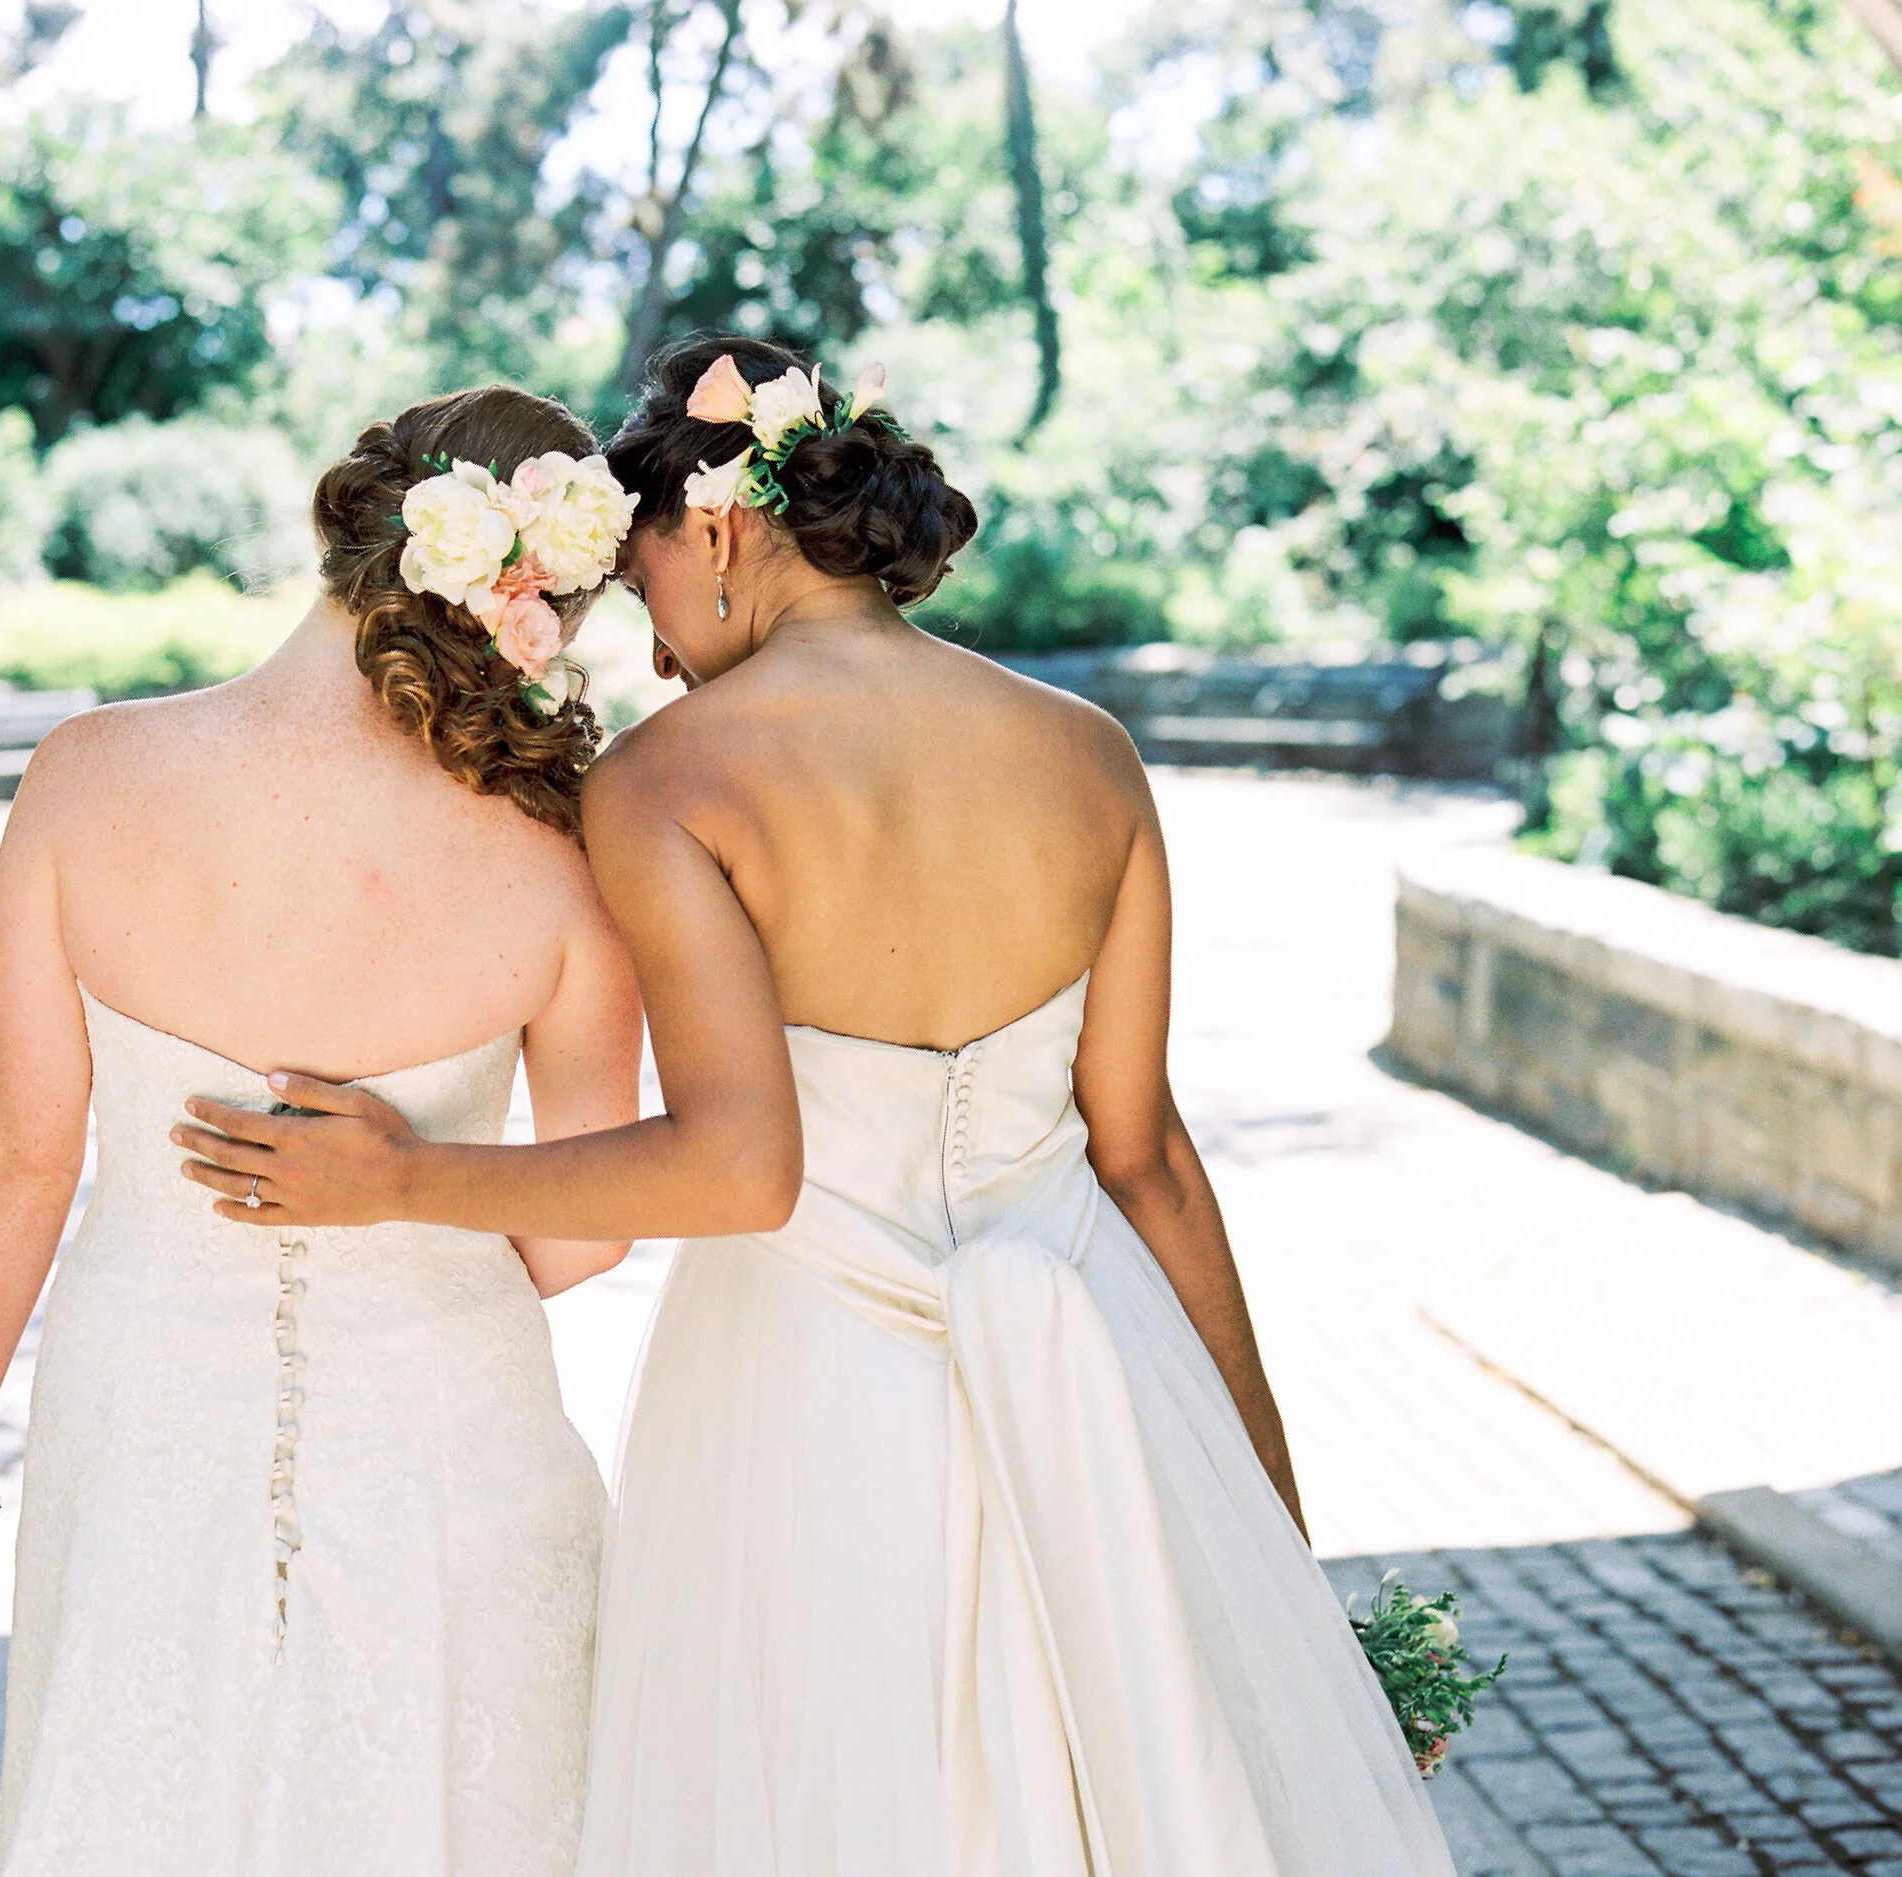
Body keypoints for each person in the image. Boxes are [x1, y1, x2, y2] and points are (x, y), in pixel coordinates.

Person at [175, 337, 1460, 1875]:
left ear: (715, 529)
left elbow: (738, 1165)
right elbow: (1150, 1163)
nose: (650, 652)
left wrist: (406, 1181)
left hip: (813, 1406)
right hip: (1107, 1380)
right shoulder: (1090, 755)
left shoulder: (672, 780)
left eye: (644, 586)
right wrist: (1267, 1537)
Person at [0, 387, 647, 1874]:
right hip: (455, 1432)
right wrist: (415, 1240)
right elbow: (589, 1224)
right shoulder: (569, 845)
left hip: (147, 1409)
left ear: (343, 522)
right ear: (548, 594)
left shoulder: (88, 775)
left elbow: (24, 1157)